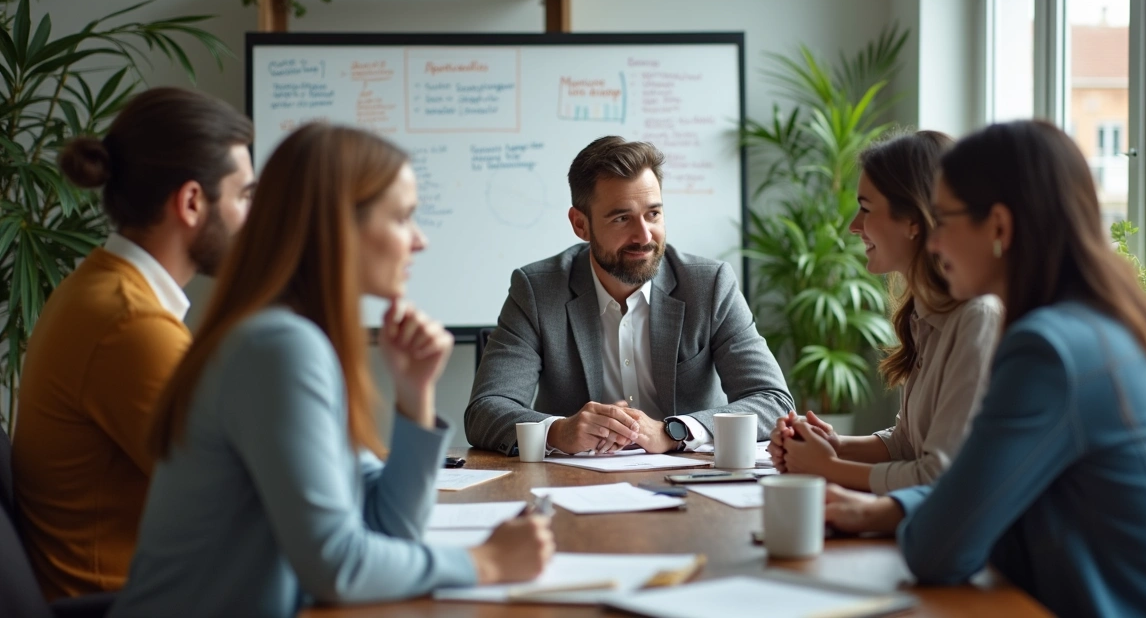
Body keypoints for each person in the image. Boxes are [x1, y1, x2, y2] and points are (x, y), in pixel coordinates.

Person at [111, 124, 553, 617]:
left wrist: (414, 395)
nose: (420, 240)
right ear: (339, 226)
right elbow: (336, 567)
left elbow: (388, 529)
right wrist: (484, 562)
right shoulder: (278, 348)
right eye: (404, 218)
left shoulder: (296, 338)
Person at [822, 120, 1146, 617]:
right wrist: (882, 510)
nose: (934, 242)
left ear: (999, 228)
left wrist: (883, 509)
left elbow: (937, 551)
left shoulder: (1048, 351)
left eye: (943, 220)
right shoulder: (1100, 326)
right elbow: (986, 488)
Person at [13, 87, 255, 599]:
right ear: (192, 202)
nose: (251, 219)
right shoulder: (128, 323)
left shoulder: (108, 291)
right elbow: (244, 494)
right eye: (244, 197)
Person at [465, 136, 793, 455]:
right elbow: (486, 410)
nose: (644, 235)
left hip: (690, 486)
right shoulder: (537, 290)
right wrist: (560, 431)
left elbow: (772, 400)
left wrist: (674, 431)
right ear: (580, 224)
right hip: (574, 489)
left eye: (653, 214)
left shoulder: (709, 285)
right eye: (622, 218)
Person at [767, 131, 1002, 493]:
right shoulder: (923, 316)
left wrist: (827, 467)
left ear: (912, 219)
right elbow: (907, 444)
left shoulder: (977, 317)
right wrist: (834, 446)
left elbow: (939, 475)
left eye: (865, 207)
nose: (854, 226)